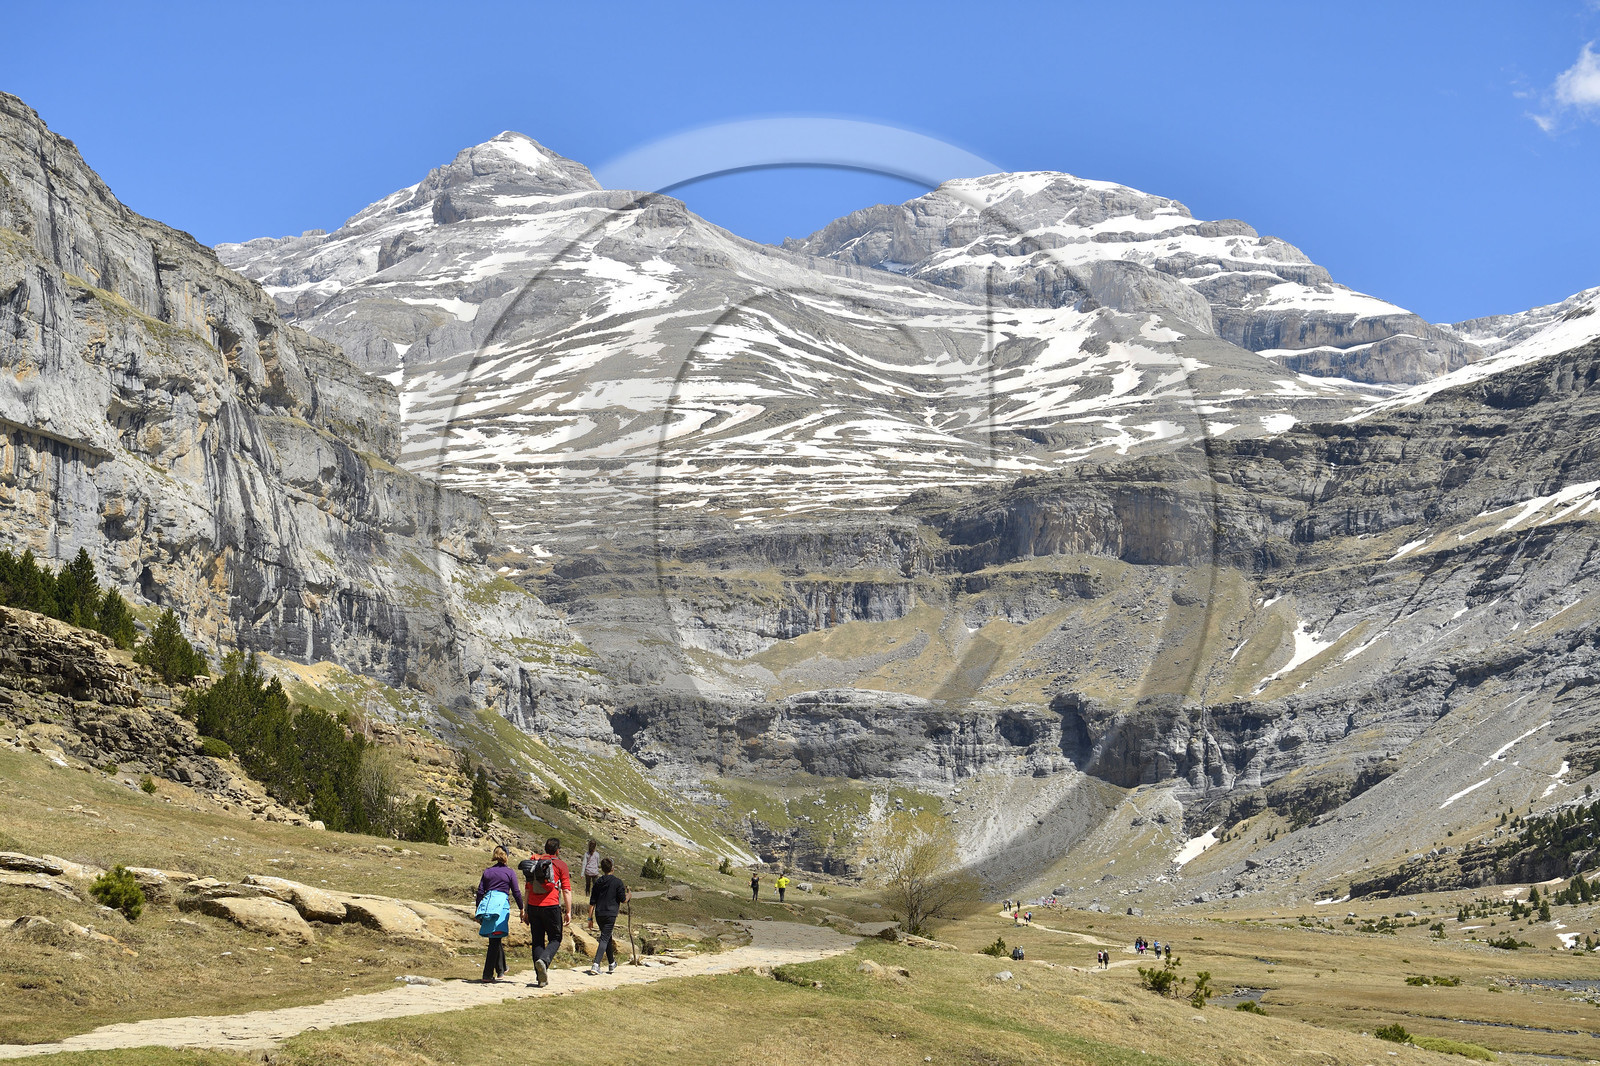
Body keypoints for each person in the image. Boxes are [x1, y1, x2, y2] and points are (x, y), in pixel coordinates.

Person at [520, 837, 571, 987]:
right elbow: (566, 890)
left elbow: (527, 889)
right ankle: (544, 961)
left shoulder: (534, 863)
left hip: (533, 906)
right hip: (551, 906)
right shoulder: (560, 864)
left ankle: (540, 977)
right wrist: (568, 911)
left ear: (545, 849)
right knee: (555, 938)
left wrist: (525, 910)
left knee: (537, 941)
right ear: (557, 851)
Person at [474, 845, 523, 982]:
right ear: (506, 856)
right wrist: (521, 908)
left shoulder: (488, 872)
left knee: (495, 937)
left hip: (489, 905)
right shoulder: (509, 872)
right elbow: (516, 892)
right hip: (501, 906)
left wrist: (478, 908)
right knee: (495, 939)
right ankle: (487, 974)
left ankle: (502, 969)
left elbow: (480, 891)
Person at [586, 856, 631, 975]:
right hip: (610, 914)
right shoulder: (617, 882)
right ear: (612, 868)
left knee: (607, 937)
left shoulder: (598, 882)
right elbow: (623, 899)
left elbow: (592, 902)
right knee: (604, 938)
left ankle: (611, 963)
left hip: (599, 913)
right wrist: (629, 895)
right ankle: (596, 964)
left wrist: (590, 918)